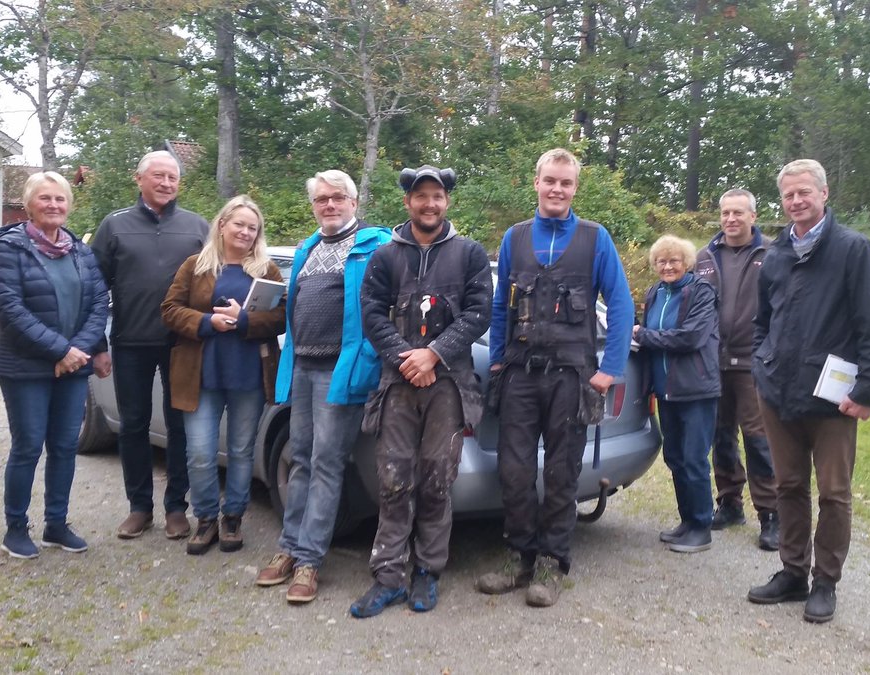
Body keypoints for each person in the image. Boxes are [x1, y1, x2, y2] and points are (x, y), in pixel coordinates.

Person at [477, 148, 634, 608]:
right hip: (521, 372)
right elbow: (500, 306)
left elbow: (621, 305)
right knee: (514, 468)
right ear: (537, 182)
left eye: (566, 183)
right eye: (550, 181)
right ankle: (519, 557)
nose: (557, 189)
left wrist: (610, 370)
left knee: (564, 471)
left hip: (572, 375)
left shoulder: (595, 238)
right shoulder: (515, 237)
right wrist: (500, 360)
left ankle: (552, 562)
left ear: (574, 188)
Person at [746, 159, 870, 624]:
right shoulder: (774, 255)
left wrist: (868, 390)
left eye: (804, 192)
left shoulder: (854, 250)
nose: (796, 201)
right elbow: (761, 322)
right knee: (788, 485)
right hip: (778, 391)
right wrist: (760, 365)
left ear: (824, 193)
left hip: (832, 398)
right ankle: (792, 572)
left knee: (834, 492)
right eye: (789, 195)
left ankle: (825, 581)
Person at [350, 165, 492, 618]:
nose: (429, 204)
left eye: (437, 196)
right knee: (393, 481)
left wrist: (432, 355)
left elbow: (478, 314)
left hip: (449, 383)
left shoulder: (469, 254)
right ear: (408, 201)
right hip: (397, 383)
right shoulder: (385, 257)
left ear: (446, 201)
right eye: (420, 196)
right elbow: (371, 315)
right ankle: (387, 577)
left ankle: (428, 571)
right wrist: (407, 359)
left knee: (436, 480)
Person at [254, 171, 390, 602]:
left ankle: (310, 560)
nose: (329, 205)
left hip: (340, 372)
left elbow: (384, 309)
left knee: (327, 464)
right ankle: (288, 548)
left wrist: (368, 361)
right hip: (303, 369)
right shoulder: (307, 248)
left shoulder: (374, 247)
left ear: (353, 203)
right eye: (321, 200)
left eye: (337, 198)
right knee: (300, 462)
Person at [0, 171, 110, 558]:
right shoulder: (11, 248)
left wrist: (76, 350)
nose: (54, 205)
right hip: (25, 367)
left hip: (73, 365)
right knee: (28, 447)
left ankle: (56, 524)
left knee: (63, 446)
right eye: (45, 199)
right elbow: (10, 309)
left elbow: (98, 303)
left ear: (68, 205)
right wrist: (60, 351)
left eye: (60, 199)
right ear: (29, 205)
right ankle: (15, 528)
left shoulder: (81, 251)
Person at [91, 150, 209, 541]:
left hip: (183, 344)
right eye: (158, 176)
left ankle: (177, 508)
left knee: (180, 426)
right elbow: (94, 289)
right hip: (130, 342)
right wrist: (97, 343)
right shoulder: (115, 226)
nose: (166, 183)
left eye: (172, 177)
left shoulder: (196, 227)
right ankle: (139, 507)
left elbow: (214, 282)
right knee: (133, 425)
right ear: (139, 179)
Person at [161, 196, 286, 555]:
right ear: (222, 225)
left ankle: (233, 516)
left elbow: (281, 316)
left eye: (252, 227)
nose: (246, 232)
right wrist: (206, 322)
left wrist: (244, 319)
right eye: (240, 225)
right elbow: (169, 310)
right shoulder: (196, 266)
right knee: (200, 452)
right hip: (200, 373)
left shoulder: (266, 270)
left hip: (248, 372)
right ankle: (205, 518)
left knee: (242, 451)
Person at [694, 189, 779, 551]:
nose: (731, 219)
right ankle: (729, 503)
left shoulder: (772, 254)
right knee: (721, 435)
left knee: (759, 439)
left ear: (753, 217)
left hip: (753, 362)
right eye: (726, 212)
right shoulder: (705, 257)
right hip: (713, 361)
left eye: (738, 213)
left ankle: (771, 514)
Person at [633, 235, 720, 554]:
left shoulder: (701, 291)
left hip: (696, 389)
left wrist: (644, 335)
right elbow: (647, 333)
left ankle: (701, 526)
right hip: (665, 390)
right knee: (675, 458)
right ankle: (687, 521)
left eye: (674, 261)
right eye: (661, 262)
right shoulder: (655, 292)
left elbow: (690, 338)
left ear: (687, 263)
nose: (667, 266)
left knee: (695, 458)